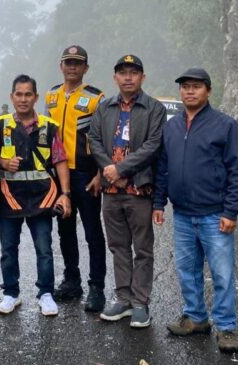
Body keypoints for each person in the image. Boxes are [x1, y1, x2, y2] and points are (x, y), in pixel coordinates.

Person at [152, 68, 238, 354]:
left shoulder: (224, 125)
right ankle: (195, 318)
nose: (189, 92)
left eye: (195, 87)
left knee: (222, 273)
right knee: (187, 270)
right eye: (185, 87)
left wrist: (231, 211)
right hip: (182, 214)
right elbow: (163, 167)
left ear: (208, 91)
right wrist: (159, 203)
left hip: (214, 215)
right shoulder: (172, 127)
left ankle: (227, 327)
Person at [89, 54, 166, 329]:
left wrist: (120, 169)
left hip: (139, 189)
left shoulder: (154, 108)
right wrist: (108, 168)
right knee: (118, 246)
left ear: (142, 77)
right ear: (115, 78)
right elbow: (94, 140)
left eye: (134, 72)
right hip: (110, 191)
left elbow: (154, 145)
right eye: (123, 72)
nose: (128, 77)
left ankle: (140, 302)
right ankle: (123, 298)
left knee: (142, 248)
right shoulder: (105, 107)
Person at [0, 74, 72, 317]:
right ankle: (11, 293)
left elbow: (60, 160)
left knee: (44, 248)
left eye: (28, 94)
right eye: (19, 94)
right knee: (8, 248)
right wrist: (3, 162)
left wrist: (65, 194)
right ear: (12, 97)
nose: (23, 99)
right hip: (9, 197)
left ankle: (45, 293)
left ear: (36, 97)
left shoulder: (48, 127)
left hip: (42, 198)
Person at [44, 45, 106, 311]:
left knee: (93, 232)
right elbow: (46, 134)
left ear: (85, 68)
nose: (72, 67)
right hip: (58, 174)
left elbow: (104, 137)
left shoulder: (96, 98)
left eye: (77, 63)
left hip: (86, 173)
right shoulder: (50, 96)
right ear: (61, 66)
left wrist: (101, 172)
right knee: (65, 230)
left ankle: (97, 288)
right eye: (68, 62)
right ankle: (72, 281)